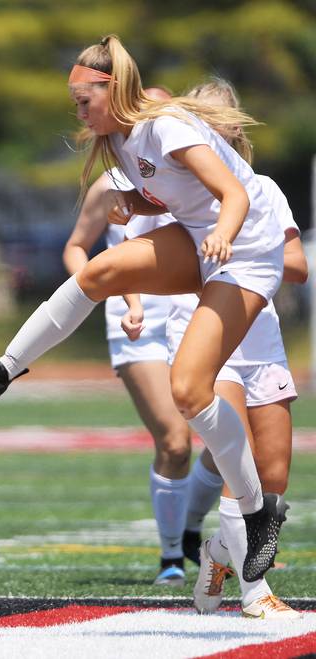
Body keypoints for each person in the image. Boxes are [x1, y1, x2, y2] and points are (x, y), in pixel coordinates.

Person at [0, 34, 288, 587]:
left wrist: (223, 234)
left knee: (188, 391)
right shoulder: (122, 141)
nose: (77, 110)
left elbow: (234, 194)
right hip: (203, 235)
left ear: (113, 88)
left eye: (84, 99)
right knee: (99, 272)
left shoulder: (163, 126)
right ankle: (4, 369)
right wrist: (139, 204)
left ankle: (257, 510)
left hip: (247, 247)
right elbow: (171, 194)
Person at [162, 78, 306, 619]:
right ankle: (256, 592)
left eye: (221, 119)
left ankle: (219, 553)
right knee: (234, 465)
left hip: (260, 335)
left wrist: (248, 247)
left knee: (271, 480)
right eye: (201, 119)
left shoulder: (263, 189)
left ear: (236, 127)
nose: (212, 128)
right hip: (207, 336)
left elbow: (296, 266)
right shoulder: (180, 186)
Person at [63, 124, 193, 585]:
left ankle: (203, 530)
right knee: (176, 441)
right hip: (134, 322)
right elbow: (76, 247)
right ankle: (172, 556)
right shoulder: (112, 184)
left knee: (226, 437)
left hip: (193, 313)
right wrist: (102, 287)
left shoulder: (194, 178)